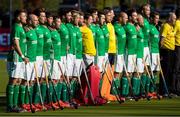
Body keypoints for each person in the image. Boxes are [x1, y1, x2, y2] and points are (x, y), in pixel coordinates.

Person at [6, 9, 28, 112]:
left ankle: (15, 105)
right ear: (18, 17)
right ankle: (10, 106)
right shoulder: (16, 28)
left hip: (20, 58)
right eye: (23, 16)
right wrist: (22, 56)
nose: (25, 18)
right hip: (15, 57)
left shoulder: (21, 28)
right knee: (13, 80)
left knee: (18, 81)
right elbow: (16, 43)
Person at [21, 13, 39, 112]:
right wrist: (24, 56)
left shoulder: (34, 30)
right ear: (30, 21)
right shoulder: (25, 30)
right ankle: (22, 103)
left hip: (34, 60)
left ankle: (28, 103)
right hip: (27, 60)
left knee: (31, 82)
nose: (37, 22)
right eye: (35, 20)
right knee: (25, 82)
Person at [160, 12, 176, 96]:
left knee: (170, 71)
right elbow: (162, 39)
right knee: (165, 71)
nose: (175, 20)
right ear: (169, 18)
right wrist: (161, 51)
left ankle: (168, 89)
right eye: (173, 18)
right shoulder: (166, 26)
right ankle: (163, 90)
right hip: (166, 51)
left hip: (171, 50)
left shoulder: (171, 27)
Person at [124, 9, 138, 98]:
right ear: (129, 17)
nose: (135, 17)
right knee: (127, 72)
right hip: (128, 52)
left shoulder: (134, 26)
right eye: (134, 16)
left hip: (134, 52)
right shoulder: (126, 27)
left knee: (132, 72)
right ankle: (124, 93)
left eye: (136, 16)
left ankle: (131, 92)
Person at [113, 12, 128, 97]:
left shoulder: (122, 27)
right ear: (120, 18)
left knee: (119, 73)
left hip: (122, 53)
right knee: (116, 72)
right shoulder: (115, 27)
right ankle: (113, 92)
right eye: (125, 18)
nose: (127, 19)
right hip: (117, 53)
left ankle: (117, 91)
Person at [149, 12, 161, 97]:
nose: (157, 20)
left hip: (157, 51)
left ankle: (153, 90)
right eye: (156, 18)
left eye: (158, 18)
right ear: (152, 18)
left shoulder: (156, 28)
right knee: (151, 71)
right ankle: (149, 90)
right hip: (151, 51)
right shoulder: (149, 27)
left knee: (156, 71)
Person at [173, 8, 180, 96]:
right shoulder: (177, 23)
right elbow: (172, 34)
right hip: (177, 47)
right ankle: (174, 88)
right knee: (176, 69)